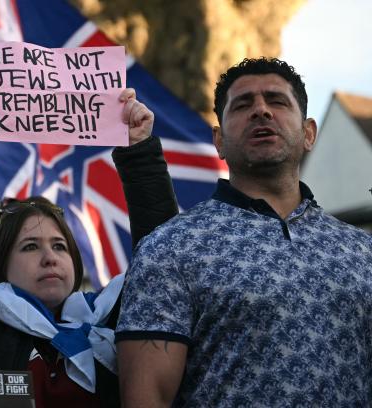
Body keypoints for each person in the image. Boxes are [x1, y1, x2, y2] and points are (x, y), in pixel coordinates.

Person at [116, 57, 372, 406]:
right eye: (243, 104)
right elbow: (147, 397)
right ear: (219, 141)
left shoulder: (362, 252)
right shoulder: (170, 248)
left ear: (309, 133)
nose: (261, 111)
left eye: (277, 101)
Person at [0, 87, 178, 407]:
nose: (50, 257)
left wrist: (138, 152)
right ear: (0, 265)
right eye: (29, 247)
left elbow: (160, 257)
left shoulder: (113, 318)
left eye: (60, 246)